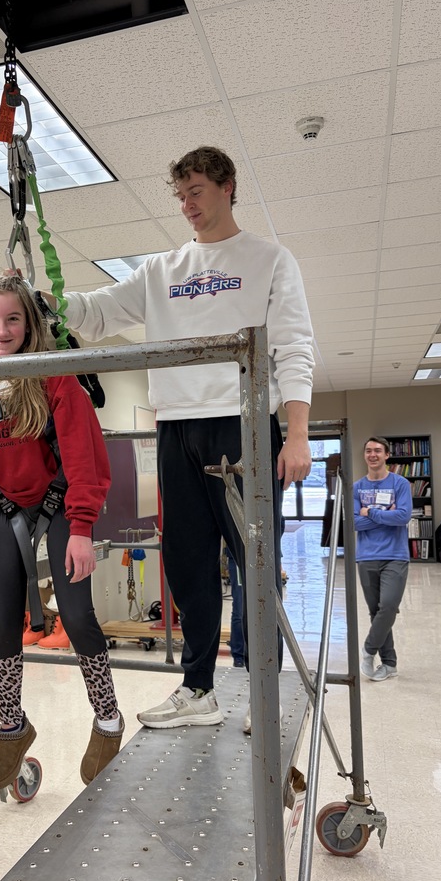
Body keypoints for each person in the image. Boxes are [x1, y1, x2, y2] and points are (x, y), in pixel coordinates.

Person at [55, 146, 314, 733]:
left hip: (243, 422)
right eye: (180, 195)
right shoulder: (162, 269)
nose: (186, 205)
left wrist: (296, 433)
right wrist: (46, 304)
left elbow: (295, 347)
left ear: (227, 188)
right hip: (175, 427)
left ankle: (262, 688)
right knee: (186, 563)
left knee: (256, 564)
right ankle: (198, 688)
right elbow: (95, 314)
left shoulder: (269, 259)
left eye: (196, 190)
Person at [0, 272, 123, 790]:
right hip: (6, 508)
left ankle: (107, 718)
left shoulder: (55, 377)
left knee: (76, 615)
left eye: (13, 318)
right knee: (5, 621)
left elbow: (85, 457)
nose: (1, 328)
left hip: (60, 507)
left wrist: (82, 526)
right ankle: (12, 724)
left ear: (28, 322)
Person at [354, 437, 411, 681]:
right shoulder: (357, 487)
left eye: (378, 450)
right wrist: (384, 514)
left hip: (395, 556)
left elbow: (403, 516)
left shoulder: (400, 483)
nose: (372, 454)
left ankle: (368, 650)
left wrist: (371, 513)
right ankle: (389, 664)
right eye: (368, 451)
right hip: (366, 556)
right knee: (376, 611)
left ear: (387, 455)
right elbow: (355, 522)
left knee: (388, 606)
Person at [224, 544, 245, 668]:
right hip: (238, 557)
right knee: (239, 608)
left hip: (265, 555)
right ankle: (239, 654)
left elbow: (279, 526)